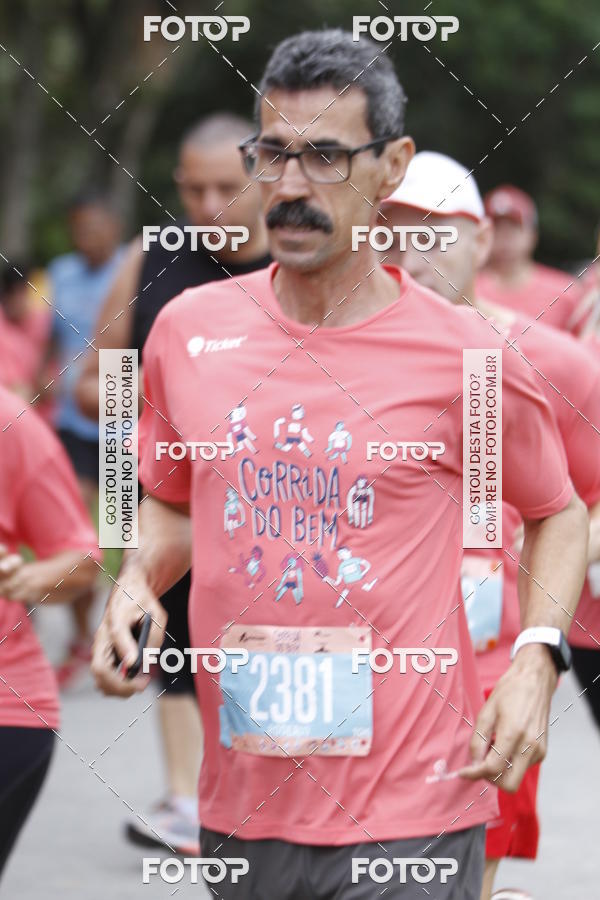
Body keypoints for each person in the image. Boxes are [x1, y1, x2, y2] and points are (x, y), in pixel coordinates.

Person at [92, 30, 588, 900]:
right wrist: (135, 582)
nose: (288, 187)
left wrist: (536, 657)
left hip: (414, 812)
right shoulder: (189, 331)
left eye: (324, 156)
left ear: (390, 166)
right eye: (272, 154)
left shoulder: (465, 357)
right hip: (243, 808)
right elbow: (168, 502)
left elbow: (556, 510)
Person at [380, 150, 600, 900]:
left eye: (437, 232)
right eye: (392, 230)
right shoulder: (344, 354)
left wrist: (537, 583)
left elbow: (589, 501)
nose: (411, 251)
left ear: (484, 242)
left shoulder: (556, 362)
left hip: (490, 661)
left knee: (467, 872)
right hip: (360, 660)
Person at [76, 113, 270, 855]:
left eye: (226, 187)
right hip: (164, 486)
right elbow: (96, 382)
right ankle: (187, 801)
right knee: (173, 639)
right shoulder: (154, 255)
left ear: (262, 179)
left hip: (263, 491)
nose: (207, 206)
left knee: (252, 633)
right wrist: (147, 409)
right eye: (192, 189)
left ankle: (261, 790)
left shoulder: (292, 264)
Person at [0, 385, 100, 878]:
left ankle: (99, 630)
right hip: (77, 425)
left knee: (179, 668)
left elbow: (83, 555)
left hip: (120, 442)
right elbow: (96, 376)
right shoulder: (118, 304)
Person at [45, 193, 124, 688]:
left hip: (119, 410)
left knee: (121, 537)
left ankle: (124, 632)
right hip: (72, 419)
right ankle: (79, 634)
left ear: (113, 229)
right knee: (69, 533)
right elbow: (46, 336)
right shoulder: (59, 274)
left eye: (94, 229)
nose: (86, 240)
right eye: (78, 231)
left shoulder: (132, 267)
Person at [477, 184, 582, 331]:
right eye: (497, 228)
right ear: (483, 235)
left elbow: (583, 351)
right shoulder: (466, 290)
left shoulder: (566, 293)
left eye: (513, 228)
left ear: (532, 235)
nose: (505, 237)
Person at [0, 262, 52, 404]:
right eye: (11, 293)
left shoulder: (45, 322)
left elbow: (51, 385)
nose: (17, 299)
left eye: (21, 291)